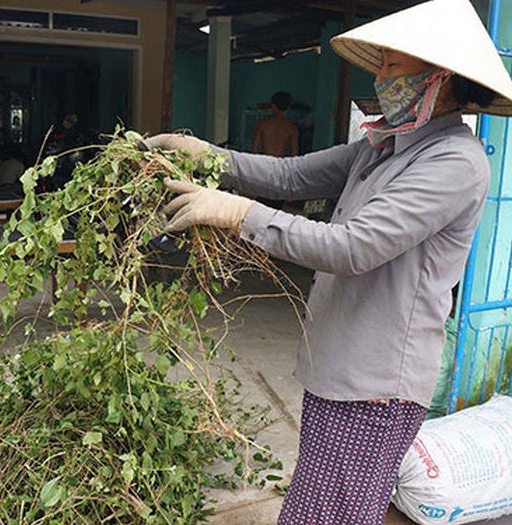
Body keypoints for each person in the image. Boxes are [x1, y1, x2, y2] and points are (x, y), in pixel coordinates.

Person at [144, 1, 512, 523]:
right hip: (337, 365)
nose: (381, 77)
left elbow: (352, 248)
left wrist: (236, 212)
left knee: (332, 514)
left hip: (376, 385)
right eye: (381, 64)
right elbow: (292, 176)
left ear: (440, 78)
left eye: (392, 66)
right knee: (316, 507)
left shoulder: (454, 161)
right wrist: (208, 156)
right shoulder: (381, 146)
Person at [252, 91, 299, 157]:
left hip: (265, 162)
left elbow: (254, 150)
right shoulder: (292, 128)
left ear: (273, 106)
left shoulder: (262, 124)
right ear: (288, 108)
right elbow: (294, 154)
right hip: (280, 164)